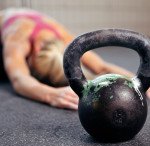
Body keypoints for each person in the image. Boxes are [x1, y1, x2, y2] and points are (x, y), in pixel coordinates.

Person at [0, 8, 134, 110]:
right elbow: (19, 79)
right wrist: (51, 95)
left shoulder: (67, 40)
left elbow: (101, 66)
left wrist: (136, 80)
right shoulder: (17, 40)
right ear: (35, 50)